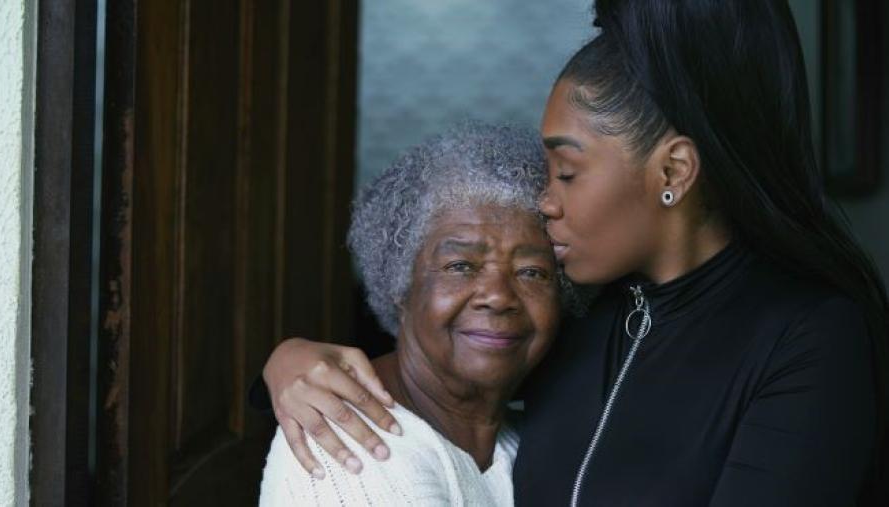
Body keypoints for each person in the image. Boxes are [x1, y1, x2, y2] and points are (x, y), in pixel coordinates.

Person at [255, 1, 889, 505]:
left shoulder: (809, 338)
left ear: (673, 169)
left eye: (566, 171)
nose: (546, 200)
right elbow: (430, 364)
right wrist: (285, 365)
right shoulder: (577, 312)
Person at [259, 122, 567, 506]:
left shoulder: (526, 443)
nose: (498, 296)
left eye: (531, 272)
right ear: (399, 284)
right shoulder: (347, 442)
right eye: (461, 266)